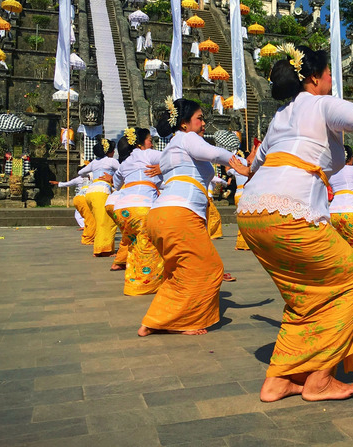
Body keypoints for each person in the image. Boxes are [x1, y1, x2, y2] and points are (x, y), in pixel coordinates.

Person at [235, 43, 353, 402]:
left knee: (304, 296)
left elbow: (253, 163)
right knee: (352, 276)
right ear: (316, 78)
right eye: (330, 74)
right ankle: (318, 379)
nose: (333, 80)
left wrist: (241, 167)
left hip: (253, 211)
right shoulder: (320, 104)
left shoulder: (279, 118)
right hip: (290, 209)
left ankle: (279, 379)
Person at [138, 97, 249, 337]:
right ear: (184, 124)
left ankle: (154, 320)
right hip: (181, 213)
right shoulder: (189, 139)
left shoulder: (170, 148)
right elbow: (212, 152)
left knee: (179, 270)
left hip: (160, 215)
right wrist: (242, 163)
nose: (203, 123)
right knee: (210, 268)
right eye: (199, 118)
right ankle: (181, 320)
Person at [112, 127, 166, 295]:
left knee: (135, 246)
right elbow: (172, 156)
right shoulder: (148, 155)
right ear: (141, 144)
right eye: (150, 140)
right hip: (142, 207)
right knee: (150, 245)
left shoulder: (125, 163)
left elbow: (116, 184)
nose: (152, 143)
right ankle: (147, 285)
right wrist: (162, 167)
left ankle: (132, 283)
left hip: (122, 210)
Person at [76, 136, 121, 258]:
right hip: (102, 190)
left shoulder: (94, 162)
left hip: (90, 192)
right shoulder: (111, 161)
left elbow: (80, 172)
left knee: (99, 221)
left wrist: (93, 174)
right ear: (109, 151)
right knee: (106, 221)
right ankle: (103, 249)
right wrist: (112, 177)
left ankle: (101, 247)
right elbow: (123, 171)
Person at [50, 173, 95, 244]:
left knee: (88, 218)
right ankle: (87, 232)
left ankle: (86, 231)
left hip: (82, 198)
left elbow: (68, 183)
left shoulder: (91, 179)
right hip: (83, 198)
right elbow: (68, 183)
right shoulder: (83, 179)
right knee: (86, 217)